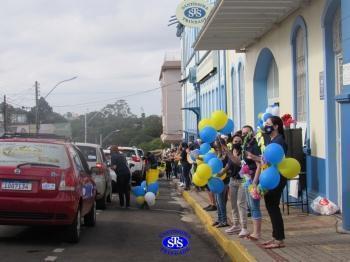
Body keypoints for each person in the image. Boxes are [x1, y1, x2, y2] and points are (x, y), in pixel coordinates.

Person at [262, 116, 288, 249]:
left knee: (273, 207)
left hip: (276, 177)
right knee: (271, 206)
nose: (265, 125)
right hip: (272, 176)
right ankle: (275, 236)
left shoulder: (279, 141)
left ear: (276, 126)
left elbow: (274, 160)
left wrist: (257, 158)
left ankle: (279, 239)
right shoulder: (272, 139)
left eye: (268, 124)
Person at [223, 134, 249, 237]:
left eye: (239, 141)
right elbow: (228, 165)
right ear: (232, 142)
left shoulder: (243, 152)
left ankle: (244, 228)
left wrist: (228, 152)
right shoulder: (231, 151)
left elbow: (238, 162)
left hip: (243, 180)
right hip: (232, 180)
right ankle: (236, 224)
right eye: (235, 141)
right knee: (233, 204)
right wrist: (220, 173)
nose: (237, 143)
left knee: (240, 203)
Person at [241, 125, 262, 241]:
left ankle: (257, 233)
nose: (244, 135)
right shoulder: (246, 146)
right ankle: (254, 232)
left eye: (246, 133)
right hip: (247, 178)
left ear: (252, 134)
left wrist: (254, 182)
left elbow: (259, 164)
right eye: (242, 133)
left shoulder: (254, 146)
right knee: (250, 206)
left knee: (254, 206)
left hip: (254, 178)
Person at [211, 139, 230, 228]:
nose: (216, 147)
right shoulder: (218, 154)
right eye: (215, 146)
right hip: (217, 179)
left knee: (221, 201)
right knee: (218, 201)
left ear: (222, 144)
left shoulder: (227, 154)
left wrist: (222, 172)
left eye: (217, 145)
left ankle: (224, 220)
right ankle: (219, 219)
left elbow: (228, 166)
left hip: (224, 180)